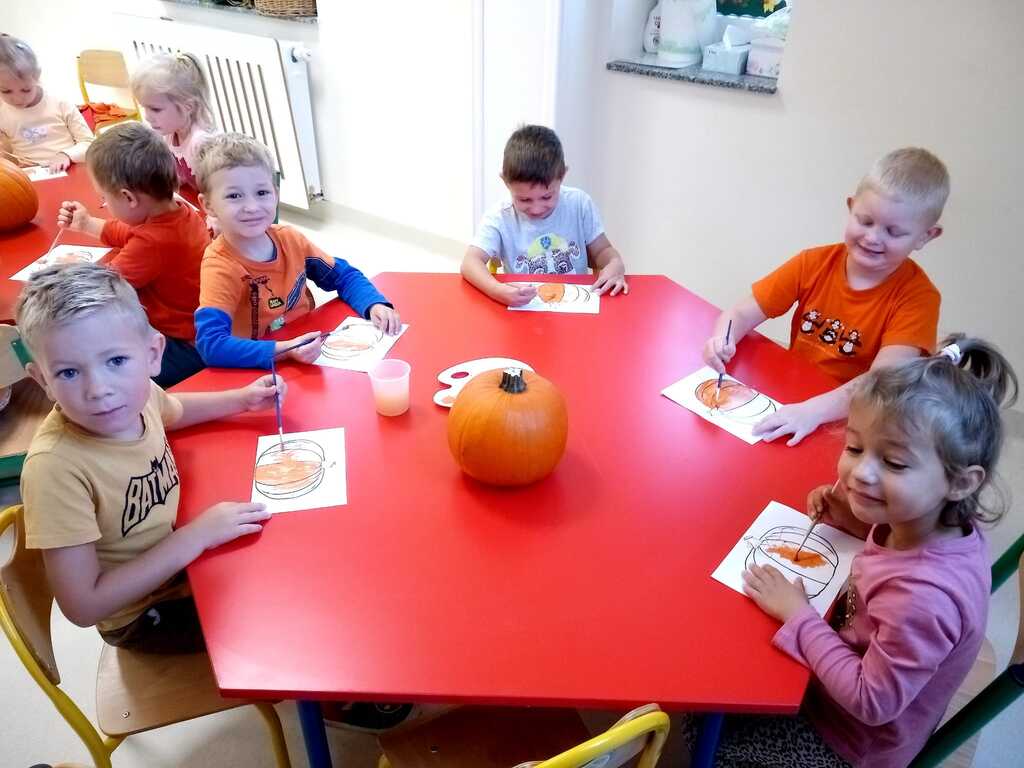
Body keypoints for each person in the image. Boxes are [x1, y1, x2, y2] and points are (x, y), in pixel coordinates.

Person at [720, 335, 1018, 768]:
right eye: (855, 448)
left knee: (706, 725)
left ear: (961, 482)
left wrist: (798, 615)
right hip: (838, 685)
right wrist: (854, 519)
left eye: (894, 463)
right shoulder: (929, 521)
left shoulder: (923, 598)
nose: (860, 473)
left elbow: (870, 701)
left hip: (846, 744)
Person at [17, 263, 283, 652]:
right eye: (69, 373)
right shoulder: (54, 470)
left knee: (284, 559)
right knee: (274, 617)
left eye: (116, 361)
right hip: (144, 611)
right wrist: (197, 536)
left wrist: (242, 400)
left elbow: (175, 409)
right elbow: (83, 606)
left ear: (152, 354)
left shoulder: (138, 399)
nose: (99, 389)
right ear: (42, 380)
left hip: (181, 556)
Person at [703, 147, 948, 445]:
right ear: (851, 206)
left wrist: (813, 411)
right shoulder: (812, 263)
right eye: (865, 221)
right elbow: (741, 313)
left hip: (856, 425)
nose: (872, 237)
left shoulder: (919, 298)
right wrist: (722, 339)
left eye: (893, 232)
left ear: (926, 236)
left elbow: (880, 383)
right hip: (794, 398)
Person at [193, 132, 400, 369]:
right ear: (208, 205)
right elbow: (211, 345)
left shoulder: (290, 240)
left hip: (309, 352)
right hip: (261, 369)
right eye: (234, 196)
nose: (252, 207)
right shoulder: (219, 266)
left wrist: (373, 304)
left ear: (275, 194)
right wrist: (285, 350)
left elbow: (343, 275)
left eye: (262, 193)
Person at [57, 122, 208, 388]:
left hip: (186, 348)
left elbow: (103, 289)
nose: (104, 204)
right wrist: (87, 224)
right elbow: (130, 231)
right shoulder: (178, 211)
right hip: (199, 332)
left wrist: (73, 269)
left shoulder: (153, 243)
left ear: (128, 198)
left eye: (104, 198)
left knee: (103, 355)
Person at [462, 124, 628, 306]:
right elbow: (470, 262)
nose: (537, 209)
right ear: (506, 182)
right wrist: (497, 290)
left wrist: (615, 264)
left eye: (547, 197)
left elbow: (602, 251)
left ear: (562, 176)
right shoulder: (500, 217)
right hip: (523, 309)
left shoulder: (579, 204)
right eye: (524, 199)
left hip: (574, 306)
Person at [0, 34, 92, 171]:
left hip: (69, 168)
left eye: (26, 90)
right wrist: (11, 160)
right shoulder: (2, 111)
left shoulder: (60, 103)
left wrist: (66, 155)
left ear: (37, 76)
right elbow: (6, 154)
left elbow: (88, 143)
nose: (17, 99)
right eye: (6, 91)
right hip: (28, 174)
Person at [130, 52, 218, 192]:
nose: (147, 117)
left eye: (155, 109)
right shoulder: (170, 134)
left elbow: (219, 191)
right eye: (144, 107)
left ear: (187, 107)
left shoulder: (201, 143)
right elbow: (179, 177)